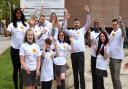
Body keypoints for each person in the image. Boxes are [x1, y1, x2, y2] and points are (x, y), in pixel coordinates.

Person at [63, 5, 91, 89]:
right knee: (75, 73)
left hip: (81, 54)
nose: (76, 24)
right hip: (74, 55)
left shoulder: (82, 30)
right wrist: (65, 18)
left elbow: (88, 23)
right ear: (74, 24)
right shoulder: (71, 32)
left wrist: (88, 12)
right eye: (75, 23)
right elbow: (64, 29)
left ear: (79, 24)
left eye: (77, 23)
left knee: (81, 73)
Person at [3, 8, 29, 89]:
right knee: (16, 69)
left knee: (22, 69)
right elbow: (6, 34)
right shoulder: (11, 25)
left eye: (20, 13)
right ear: (15, 14)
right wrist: (4, 25)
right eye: (17, 13)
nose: (18, 14)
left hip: (23, 50)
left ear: (21, 14)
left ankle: (21, 86)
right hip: (14, 50)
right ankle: (16, 87)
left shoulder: (25, 24)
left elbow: (30, 34)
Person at [109, 16, 126, 89]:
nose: (114, 26)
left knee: (116, 78)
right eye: (113, 25)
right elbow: (110, 42)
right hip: (111, 58)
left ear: (118, 25)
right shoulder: (112, 32)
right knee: (113, 78)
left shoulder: (120, 31)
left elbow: (124, 34)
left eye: (115, 24)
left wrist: (121, 22)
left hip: (117, 58)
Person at [88, 19, 101, 89]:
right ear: (93, 24)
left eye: (97, 23)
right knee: (94, 74)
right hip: (93, 56)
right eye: (95, 23)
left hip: (100, 57)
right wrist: (89, 34)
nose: (96, 24)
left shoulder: (102, 33)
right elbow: (89, 45)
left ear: (99, 24)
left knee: (100, 75)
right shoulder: (91, 33)